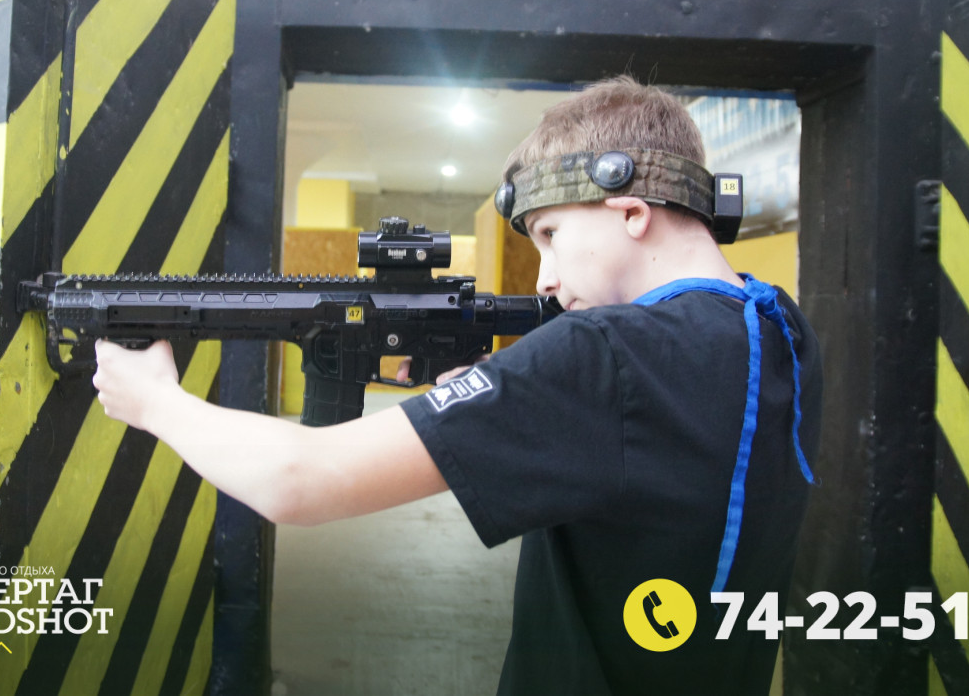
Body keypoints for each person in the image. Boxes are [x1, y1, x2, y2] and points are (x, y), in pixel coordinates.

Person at [93, 75, 821, 695]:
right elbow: (653, 463)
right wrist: (514, 398)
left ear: (630, 211)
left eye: (550, 234)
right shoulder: (779, 330)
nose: (545, 278)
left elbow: (300, 480)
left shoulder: (603, 353)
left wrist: (155, 401)